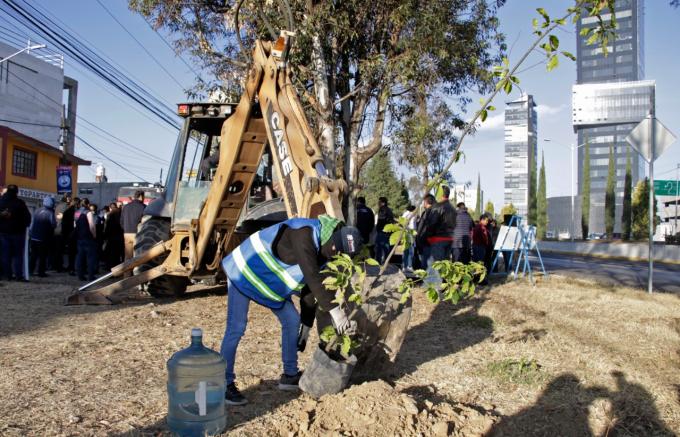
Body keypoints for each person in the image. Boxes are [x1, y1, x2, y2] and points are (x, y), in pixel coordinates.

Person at [219, 215, 364, 405]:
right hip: (243, 270)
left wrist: (305, 327)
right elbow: (312, 277)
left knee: (292, 321)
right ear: (333, 239)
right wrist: (336, 312)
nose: (334, 253)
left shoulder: (324, 251)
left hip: (267, 282)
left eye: (340, 254)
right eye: (336, 249)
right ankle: (223, 384)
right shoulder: (303, 233)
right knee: (236, 327)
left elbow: (309, 291)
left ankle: (289, 375)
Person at [421, 186, 456, 285]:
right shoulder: (453, 208)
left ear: (440, 195)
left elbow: (432, 223)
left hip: (438, 239)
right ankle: (444, 285)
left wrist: (428, 236)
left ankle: (433, 288)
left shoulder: (438, 207)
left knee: (435, 264)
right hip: (450, 239)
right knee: (444, 263)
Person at [0, 185, 31, 281]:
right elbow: (27, 218)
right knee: (18, 255)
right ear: (16, 192)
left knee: (5, 255)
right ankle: (18, 275)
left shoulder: (1, 202)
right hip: (17, 233)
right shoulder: (20, 203)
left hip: (3, 232)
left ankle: (7, 275)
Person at [29, 196, 56, 277]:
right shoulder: (50, 212)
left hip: (34, 237)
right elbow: (53, 224)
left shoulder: (37, 210)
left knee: (33, 255)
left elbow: (32, 224)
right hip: (44, 238)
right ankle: (41, 272)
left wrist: (31, 234)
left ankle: (30, 271)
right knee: (42, 256)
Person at [75, 203, 99, 281]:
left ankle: (80, 276)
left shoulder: (77, 212)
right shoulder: (88, 213)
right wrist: (94, 235)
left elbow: (75, 224)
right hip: (88, 237)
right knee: (90, 258)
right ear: (87, 205)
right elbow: (92, 226)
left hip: (79, 237)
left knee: (80, 257)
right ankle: (91, 276)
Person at [120, 190, 146, 263]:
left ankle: (127, 274)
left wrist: (125, 229)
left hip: (127, 233)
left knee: (128, 255)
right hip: (138, 234)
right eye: (143, 197)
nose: (144, 198)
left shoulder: (126, 207)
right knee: (138, 256)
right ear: (140, 196)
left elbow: (121, 221)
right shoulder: (143, 207)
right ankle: (137, 273)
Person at [51, 193, 71, 272]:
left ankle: (55, 265)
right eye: (69, 197)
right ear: (67, 198)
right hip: (62, 230)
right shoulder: (66, 207)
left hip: (56, 229)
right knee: (60, 250)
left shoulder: (57, 206)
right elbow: (67, 220)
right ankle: (59, 266)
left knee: (56, 250)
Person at [415, 194, 435, 269]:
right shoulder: (426, 212)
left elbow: (426, 229)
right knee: (425, 267)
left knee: (428, 268)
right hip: (424, 244)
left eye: (424, 201)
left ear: (426, 202)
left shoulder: (432, 213)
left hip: (428, 245)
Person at [103, 202, 124, 269]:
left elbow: (106, 227)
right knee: (117, 254)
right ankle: (116, 268)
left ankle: (109, 267)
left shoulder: (110, 215)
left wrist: (105, 236)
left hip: (111, 237)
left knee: (110, 253)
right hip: (119, 236)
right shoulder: (121, 214)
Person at [374, 197, 394, 264]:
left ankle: (378, 262)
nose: (378, 203)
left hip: (382, 231)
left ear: (383, 203)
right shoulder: (389, 210)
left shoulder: (382, 209)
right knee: (386, 247)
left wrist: (377, 227)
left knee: (379, 246)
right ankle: (386, 261)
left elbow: (381, 220)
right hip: (388, 231)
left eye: (379, 202)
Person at [63, 197, 79, 275]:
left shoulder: (67, 211)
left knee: (71, 253)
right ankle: (74, 268)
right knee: (77, 252)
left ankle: (71, 267)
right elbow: (78, 222)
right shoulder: (77, 212)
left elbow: (64, 224)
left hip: (69, 234)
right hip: (75, 234)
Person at [401, 205, 417, 272]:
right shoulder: (408, 214)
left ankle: (407, 266)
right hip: (409, 234)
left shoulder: (408, 214)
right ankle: (407, 266)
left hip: (410, 234)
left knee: (408, 251)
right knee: (409, 251)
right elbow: (410, 225)